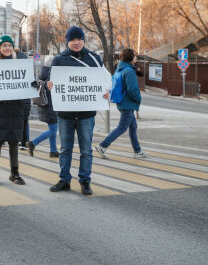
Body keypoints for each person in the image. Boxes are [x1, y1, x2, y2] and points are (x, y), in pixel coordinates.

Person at [47, 26, 110, 195]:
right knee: (65, 149)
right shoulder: (59, 60)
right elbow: (51, 83)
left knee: (86, 150)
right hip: (65, 114)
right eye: (72, 40)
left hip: (86, 114)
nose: (76, 42)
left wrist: (106, 91)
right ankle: (64, 180)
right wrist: (49, 85)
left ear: (83, 40)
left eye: (79, 39)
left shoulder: (94, 59)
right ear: (67, 42)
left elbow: (106, 80)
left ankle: (85, 181)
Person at [0, 35, 35, 186]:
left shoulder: (20, 65)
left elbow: (28, 84)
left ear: (13, 48)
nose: (7, 48)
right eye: (4, 45)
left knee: (13, 142)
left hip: (14, 108)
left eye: (9, 45)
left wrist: (33, 85)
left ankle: (14, 173)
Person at [95, 48, 149, 159]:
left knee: (133, 126)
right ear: (130, 57)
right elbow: (132, 89)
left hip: (123, 102)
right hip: (128, 103)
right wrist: (138, 99)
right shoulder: (129, 71)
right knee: (122, 127)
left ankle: (137, 151)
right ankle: (103, 145)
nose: (136, 58)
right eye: (135, 56)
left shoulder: (120, 69)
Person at [27, 55, 59, 158]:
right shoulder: (52, 74)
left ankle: (53, 151)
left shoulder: (43, 73)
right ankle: (33, 143)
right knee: (53, 130)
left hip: (44, 105)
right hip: (51, 106)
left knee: (52, 129)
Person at [16, 48, 31, 150]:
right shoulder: (27, 70)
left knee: (20, 122)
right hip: (25, 100)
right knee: (24, 122)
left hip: (21, 101)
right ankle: (24, 142)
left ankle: (21, 141)